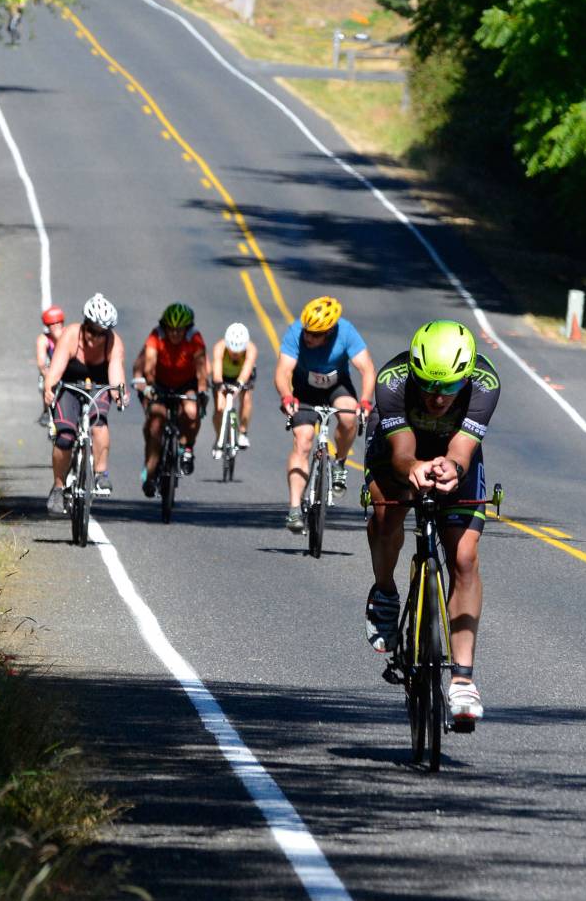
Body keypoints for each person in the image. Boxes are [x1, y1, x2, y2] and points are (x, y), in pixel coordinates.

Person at [363, 320, 501, 723]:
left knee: (465, 557)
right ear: (414, 371)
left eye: (449, 388)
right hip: (398, 449)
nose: (438, 398)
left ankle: (462, 679)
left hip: (451, 453)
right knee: (388, 513)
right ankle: (385, 592)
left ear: (467, 375)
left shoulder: (485, 383)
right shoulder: (391, 381)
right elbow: (402, 451)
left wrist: (452, 467)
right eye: (428, 385)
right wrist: (413, 468)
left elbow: (462, 447)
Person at [274, 295, 375, 532]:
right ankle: (294, 509)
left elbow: (367, 369)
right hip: (305, 390)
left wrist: (365, 402)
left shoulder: (347, 332)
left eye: (316, 335)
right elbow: (282, 371)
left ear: (329, 332)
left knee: (349, 417)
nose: (308, 337)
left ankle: (339, 462)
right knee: (303, 441)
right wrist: (287, 396)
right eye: (307, 332)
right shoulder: (296, 332)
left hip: (336, 386)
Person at [43, 293, 127, 517]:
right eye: (91, 330)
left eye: (101, 333)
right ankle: (59, 487)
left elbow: (116, 372)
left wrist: (120, 393)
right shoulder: (71, 335)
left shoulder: (113, 342)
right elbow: (56, 369)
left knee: (98, 423)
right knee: (65, 436)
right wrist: (49, 389)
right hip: (69, 386)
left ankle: (101, 474)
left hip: (98, 386)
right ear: (85, 325)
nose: (94, 338)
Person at [137, 303, 209, 497]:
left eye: (179, 330)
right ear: (164, 327)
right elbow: (149, 364)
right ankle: (150, 474)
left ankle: (187, 448)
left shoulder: (194, 338)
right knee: (155, 425)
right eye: (171, 329)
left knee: (192, 411)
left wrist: (202, 390)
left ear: (186, 329)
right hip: (160, 382)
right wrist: (149, 386)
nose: (175, 334)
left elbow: (202, 369)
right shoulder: (157, 335)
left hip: (186, 383)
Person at [211, 322, 257, 457]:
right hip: (223, 377)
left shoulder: (251, 349)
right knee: (220, 408)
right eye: (232, 351)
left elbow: (247, 369)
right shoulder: (220, 347)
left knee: (246, 398)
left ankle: (243, 432)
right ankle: (219, 439)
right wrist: (219, 385)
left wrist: (239, 385)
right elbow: (217, 371)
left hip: (242, 376)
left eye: (239, 352)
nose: (235, 354)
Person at [36, 306, 65, 426]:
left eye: (58, 323)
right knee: (44, 382)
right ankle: (46, 411)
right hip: (52, 369)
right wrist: (48, 375)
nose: (55, 326)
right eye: (52, 324)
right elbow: (41, 363)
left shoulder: (68, 335)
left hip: (67, 368)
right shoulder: (44, 339)